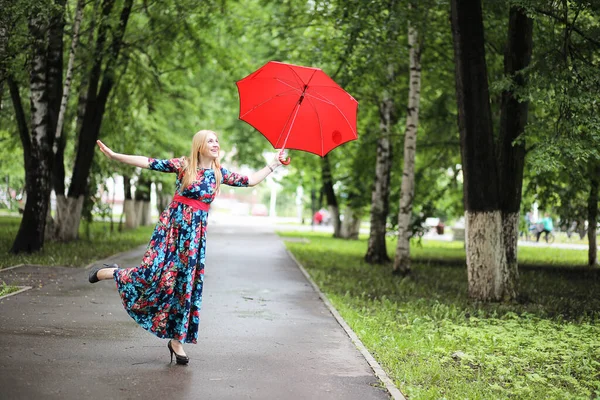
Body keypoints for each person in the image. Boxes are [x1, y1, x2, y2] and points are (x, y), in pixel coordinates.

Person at [88, 130, 287, 365]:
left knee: (185, 287)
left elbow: (251, 180)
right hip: (171, 231)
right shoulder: (184, 165)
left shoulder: (218, 174)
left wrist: (275, 163)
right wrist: (116, 156)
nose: (215, 144)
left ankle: (176, 341)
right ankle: (113, 272)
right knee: (152, 274)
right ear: (199, 145)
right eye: (210, 140)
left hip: (194, 240)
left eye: (217, 140)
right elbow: (148, 162)